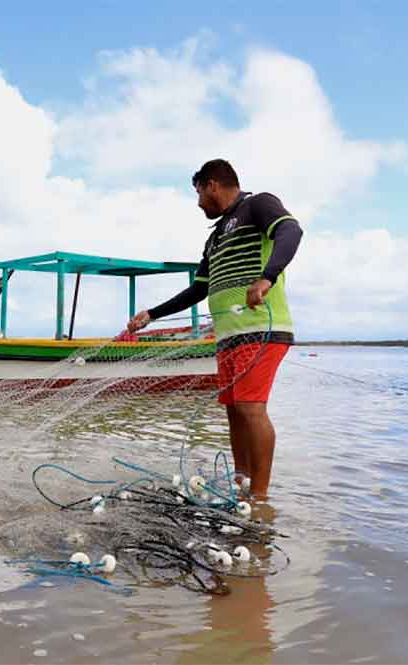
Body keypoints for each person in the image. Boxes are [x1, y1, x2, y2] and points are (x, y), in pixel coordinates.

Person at [127, 159, 303, 499]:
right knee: (234, 411)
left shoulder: (258, 204)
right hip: (228, 337)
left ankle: (260, 498)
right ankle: (241, 485)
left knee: (251, 408)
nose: (198, 203)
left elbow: (291, 231)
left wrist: (267, 277)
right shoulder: (214, 238)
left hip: (260, 329)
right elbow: (198, 289)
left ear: (212, 185)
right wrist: (152, 314)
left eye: (198, 193)